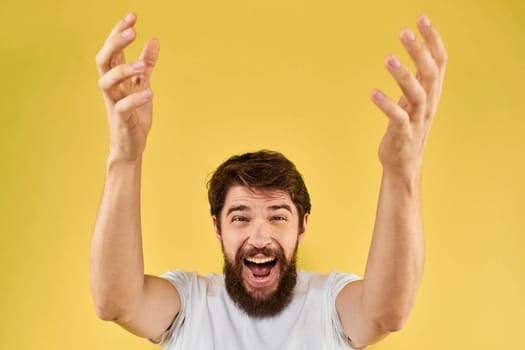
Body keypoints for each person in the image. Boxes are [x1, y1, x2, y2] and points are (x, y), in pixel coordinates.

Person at [91, 12, 447, 350]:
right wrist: (125, 157)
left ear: (302, 226)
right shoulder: (189, 303)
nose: (259, 238)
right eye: (240, 217)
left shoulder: (330, 305)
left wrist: (402, 171)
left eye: (278, 216)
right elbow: (116, 304)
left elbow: (388, 313)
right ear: (217, 227)